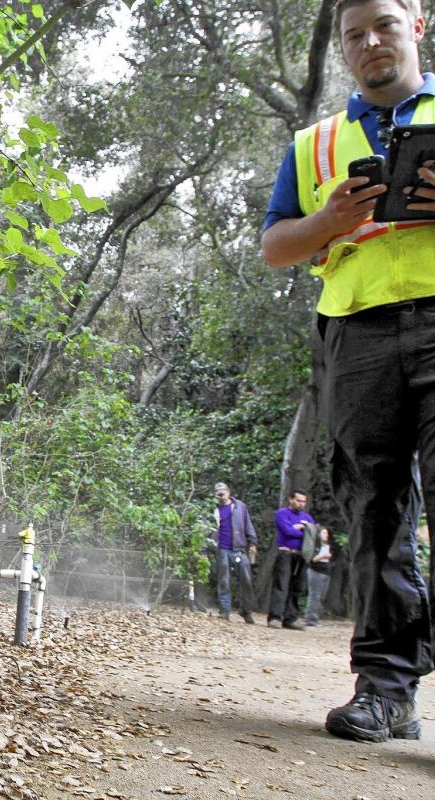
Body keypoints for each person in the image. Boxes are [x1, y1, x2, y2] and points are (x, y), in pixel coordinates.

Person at [261, 0, 433, 743]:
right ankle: (386, 689)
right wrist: (328, 222)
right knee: (372, 513)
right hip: (355, 333)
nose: (370, 43)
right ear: (341, 48)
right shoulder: (314, 144)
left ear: (418, 25)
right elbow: (275, 245)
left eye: (384, 26)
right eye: (354, 34)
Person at [210, 482, 258, 623]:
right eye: (218, 493)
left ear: (229, 492)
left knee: (246, 580)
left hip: (239, 548)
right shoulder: (213, 509)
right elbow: (207, 530)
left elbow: (248, 524)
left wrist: (253, 542)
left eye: (223, 492)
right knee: (224, 580)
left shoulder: (239, 506)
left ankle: (246, 611)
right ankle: (225, 611)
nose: (221, 496)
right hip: (222, 548)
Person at [269, 491, 316, 630]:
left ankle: (291, 618)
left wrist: (298, 528)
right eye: (298, 500)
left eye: (303, 501)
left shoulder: (307, 517)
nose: (301, 504)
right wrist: (302, 530)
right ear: (291, 499)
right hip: (286, 553)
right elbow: (287, 531)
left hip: (301, 555)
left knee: (298, 587)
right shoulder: (282, 513)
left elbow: (313, 534)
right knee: (281, 585)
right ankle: (275, 617)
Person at [307, 528, 334, 626]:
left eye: (327, 533)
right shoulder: (315, 545)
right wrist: (323, 556)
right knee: (315, 595)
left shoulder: (328, 546)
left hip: (326, 572)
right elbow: (312, 559)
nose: (326, 535)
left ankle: (316, 618)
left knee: (321, 596)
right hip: (315, 571)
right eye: (324, 532)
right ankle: (311, 619)